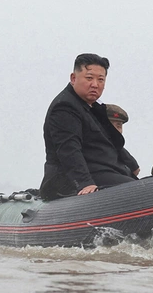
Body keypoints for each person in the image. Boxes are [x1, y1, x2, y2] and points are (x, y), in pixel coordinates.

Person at [40, 53, 136, 200]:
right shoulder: (65, 107)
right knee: (133, 190)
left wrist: (131, 164)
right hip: (71, 180)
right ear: (73, 78)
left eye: (101, 80)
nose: (95, 84)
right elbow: (68, 149)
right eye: (89, 78)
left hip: (105, 171)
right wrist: (84, 183)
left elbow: (109, 141)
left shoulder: (93, 108)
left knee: (145, 187)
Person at [106, 103, 140, 177]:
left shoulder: (119, 148)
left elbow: (136, 170)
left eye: (119, 126)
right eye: (110, 125)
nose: (115, 130)